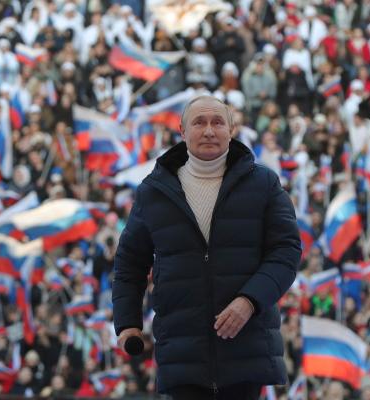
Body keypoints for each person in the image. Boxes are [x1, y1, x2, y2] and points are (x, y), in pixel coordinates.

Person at [113, 95, 302, 399]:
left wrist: (249, 301)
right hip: (181, 355)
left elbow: (287, 251)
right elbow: (129, 264)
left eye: (217, 122)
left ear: (232, 129)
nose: (209, 130)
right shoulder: (153, 191)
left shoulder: (264, 183)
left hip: (246, 350)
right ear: (182, 131)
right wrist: (127, 323)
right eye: (199, 122)